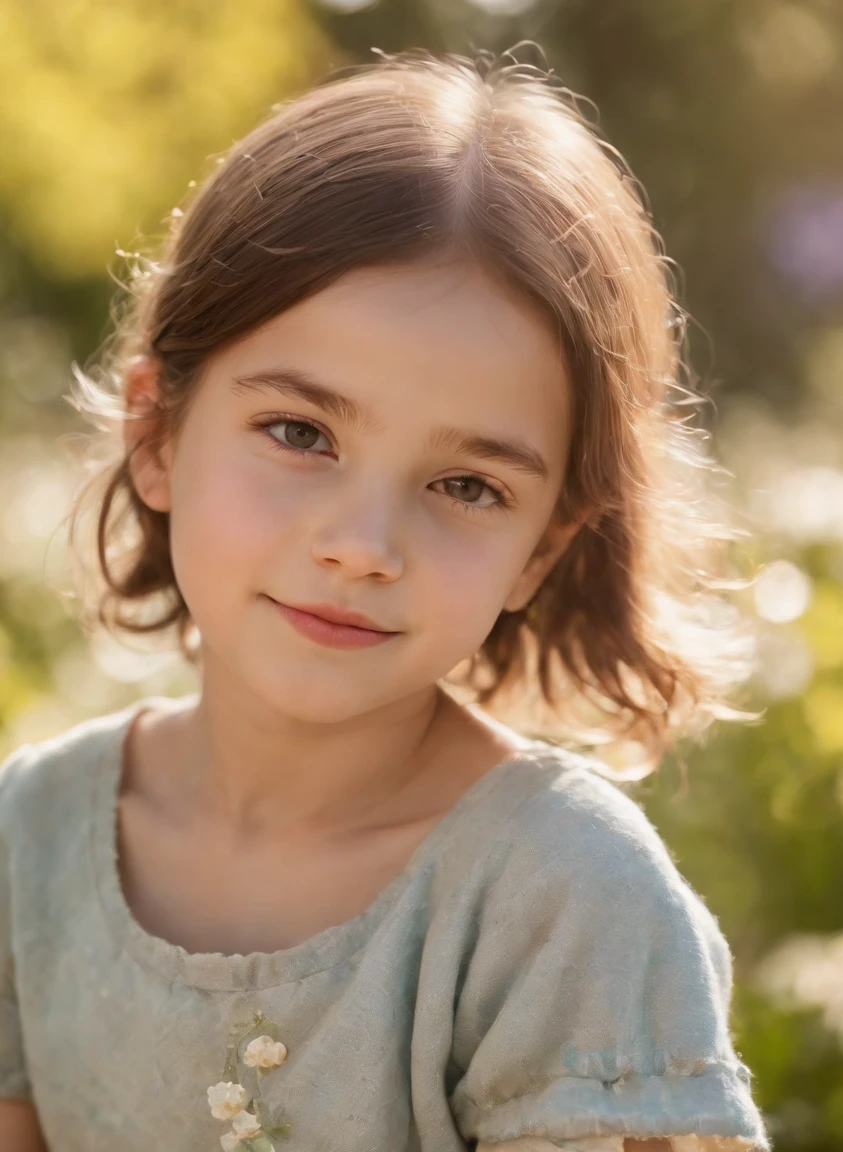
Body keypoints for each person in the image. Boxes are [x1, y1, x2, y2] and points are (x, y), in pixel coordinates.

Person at [0, 46, 771, 1152]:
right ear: (157, 432)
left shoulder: (564, 903)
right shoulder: (31, 840)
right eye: (299, 432)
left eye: (465, 486)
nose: (362, 547)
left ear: (539, 552)